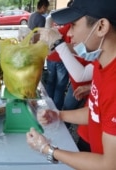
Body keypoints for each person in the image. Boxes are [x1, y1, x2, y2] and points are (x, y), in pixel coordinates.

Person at [26, 0, 116, 169]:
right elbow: (95, 112)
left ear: (101, 27)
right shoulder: (101, 63)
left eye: (74, 25)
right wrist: (59, 115)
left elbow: (109, 165)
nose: (70, 33)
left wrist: (47, 149)